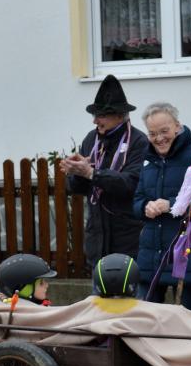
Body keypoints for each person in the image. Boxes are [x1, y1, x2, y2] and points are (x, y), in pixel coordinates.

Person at [132, 102, 191, 311]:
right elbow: (137, 201)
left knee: (183, 322)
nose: (159, 138)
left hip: (185, 257)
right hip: (152, 257)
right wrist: (145, 207)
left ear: (177, 126)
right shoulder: (149, 161)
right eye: (152, 133)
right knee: (145, 319)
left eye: (164, 131)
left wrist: (171, 205)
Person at [60, 75, 149, 269]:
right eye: (95, 115)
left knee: (129, 289)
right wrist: (76, 172)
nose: (95, 121)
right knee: (99, 289)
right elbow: (77, 188)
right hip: (97, 241)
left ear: (119, 115)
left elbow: (131, 183)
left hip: (129, 242)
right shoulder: (91, 139)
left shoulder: (138, 142)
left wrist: (92, 173)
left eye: (101, 115)